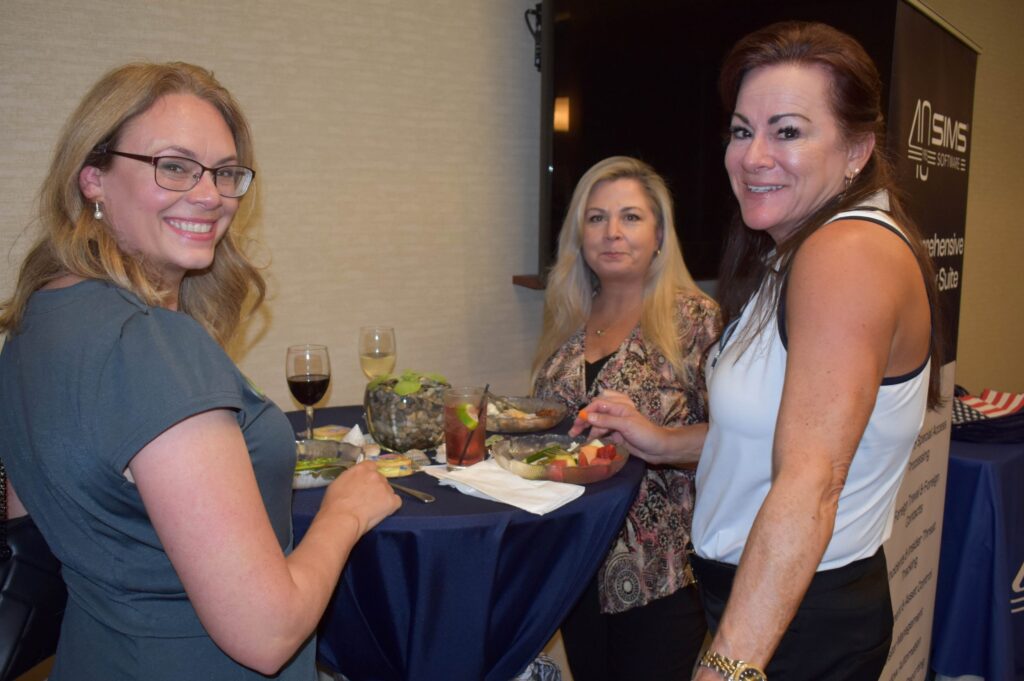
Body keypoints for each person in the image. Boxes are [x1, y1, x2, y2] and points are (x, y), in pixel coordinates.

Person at [0, 62, 401, 680]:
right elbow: (267, 634)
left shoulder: (35, 318)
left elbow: (34, 516)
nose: (211, 195)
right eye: (175, 166)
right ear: (93, 178)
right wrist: (344, 511)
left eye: (224, 172)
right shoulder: (152, 346)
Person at [573, 22, 944, 681]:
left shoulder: (845, 253)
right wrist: (658, 441)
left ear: (857, 148)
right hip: (774, 602)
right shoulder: (796, 251)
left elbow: (811, 479)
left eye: (788, 131)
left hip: (794, 619)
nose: (752, 155)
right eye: (743, 130)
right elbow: (776, 435)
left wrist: (726, 665)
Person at [531, 156, 720, 680]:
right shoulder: (568, 316)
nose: (612, 232)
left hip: (660, 572)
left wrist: (657, 439)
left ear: (659, 233)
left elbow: (734, 441)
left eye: (631, 217)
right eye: (596, 218)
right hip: (573, 560)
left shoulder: (695, 319)